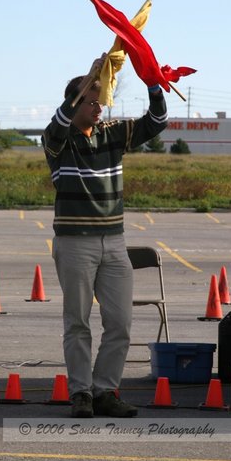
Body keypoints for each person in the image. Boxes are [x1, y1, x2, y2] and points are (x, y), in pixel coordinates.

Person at [41, 55, 168, 418]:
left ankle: (104, 392)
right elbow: (59, 121)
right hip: (75, 242)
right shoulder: (58, 141)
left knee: (120, 324)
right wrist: (88, 80)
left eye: (101, 101)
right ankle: (80, 393)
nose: (99, 108)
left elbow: (157, 122)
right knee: (78, 321)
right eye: (92, 102)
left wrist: (152, 82)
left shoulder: (112, 133)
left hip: (114, 242)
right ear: (77, 101)